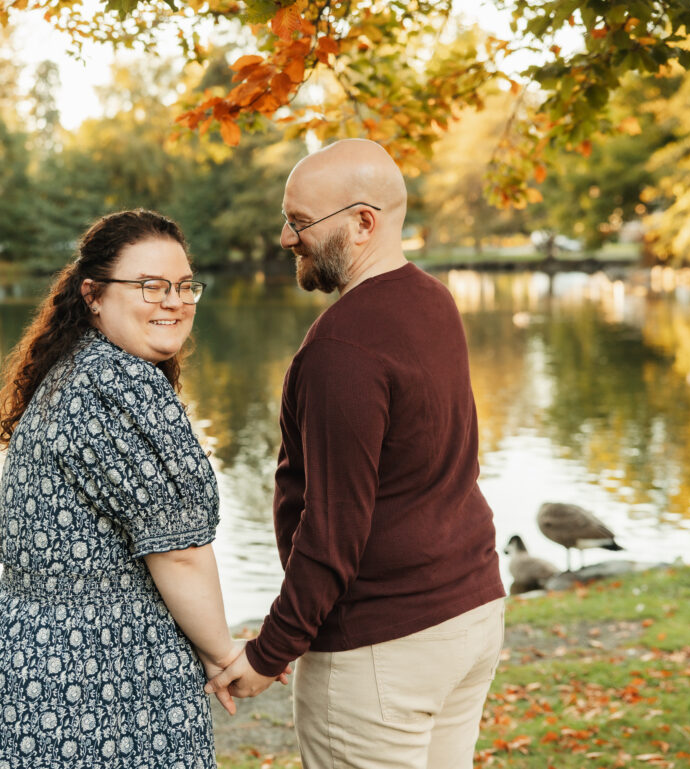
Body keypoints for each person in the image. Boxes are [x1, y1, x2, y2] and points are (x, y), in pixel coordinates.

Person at [206, 140, 506, 769]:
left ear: (363, 222)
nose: (285, 238)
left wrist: (271, 650)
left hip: (382, 648)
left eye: (300, 221)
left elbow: (333, 529)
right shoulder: (432, 299)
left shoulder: (341, 349)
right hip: (468, 614)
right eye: (286, 218)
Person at [0, 209, 241, 768]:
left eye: (183, 286)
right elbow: (178, 551)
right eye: (150, 285)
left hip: (15, 659)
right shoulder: (119, 383)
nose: (174, 301)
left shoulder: (75, 368)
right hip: (95, 676)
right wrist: (224, 654)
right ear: (94, 295)